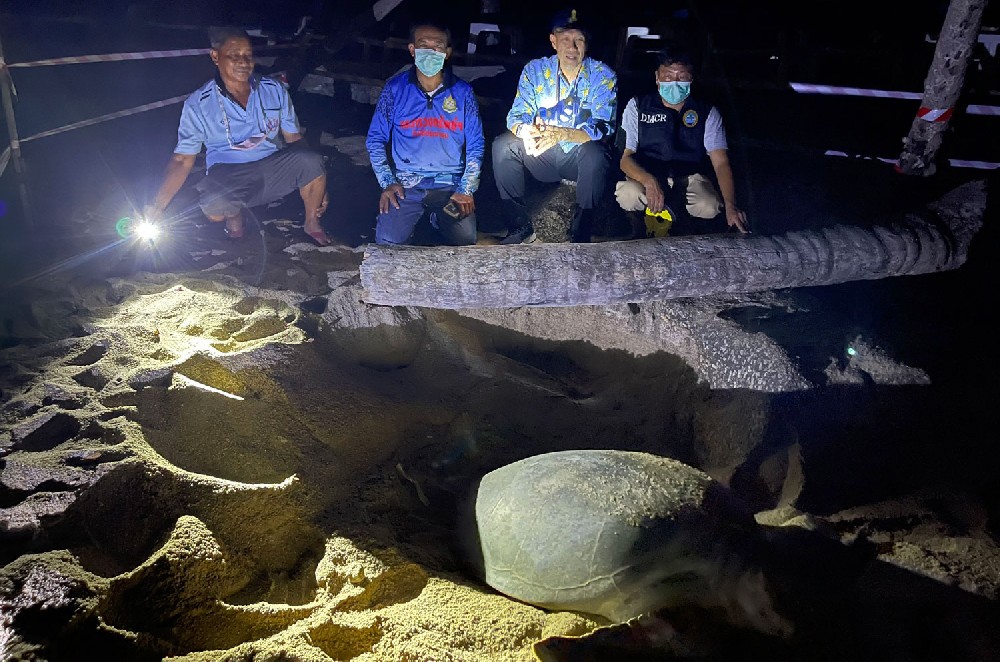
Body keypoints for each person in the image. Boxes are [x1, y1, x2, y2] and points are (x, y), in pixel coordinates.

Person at [145, 26, 332, 245]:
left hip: (272, 166)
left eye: (248, 56)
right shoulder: (198, 104)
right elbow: (182, 159)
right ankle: (234, 218)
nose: (243, 63)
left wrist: (317, 180)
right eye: (234, 56)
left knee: (311, 160)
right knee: (215, 207)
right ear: (216, 56)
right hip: (229, 174)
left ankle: (312, 223)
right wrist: (157, 206)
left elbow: (294, 138)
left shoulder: (274, 90)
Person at [492, 9, 618, 244]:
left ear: (586, 43)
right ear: (553, 41)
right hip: (542, 155)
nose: (572, 47)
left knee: (595, 152)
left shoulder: (603, 75)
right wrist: (526, 131)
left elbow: (604, 127)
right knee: (503, 145)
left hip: (578, 162)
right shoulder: (535, 71)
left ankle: (582, 230)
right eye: (565, 39)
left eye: (579, 39)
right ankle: (519, 226)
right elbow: (516, 115)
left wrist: (562, 134)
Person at [365, 21, 484, 246]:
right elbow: (376, 138)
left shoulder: (463, 93)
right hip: (407, 183)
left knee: (465, 239)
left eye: (437, 46)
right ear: (412, 50)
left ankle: (436, 219)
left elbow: (476, 143)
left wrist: (465, 189)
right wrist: (387, 182)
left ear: (447, 53)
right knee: (387, 241)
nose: (431, 52)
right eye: (423, 45)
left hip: (449, 183)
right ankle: (415, 220)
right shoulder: (395, 90)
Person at [615, 47, 748, 238]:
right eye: (668, 76)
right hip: (648, 173)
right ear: (657, 77)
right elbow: (625, 158)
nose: (675, 83)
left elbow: (721, 162)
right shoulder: (637, 106)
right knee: (628, 195)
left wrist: (731, 206)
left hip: (688, 176)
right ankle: (639, 226)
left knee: (708, 205)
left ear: (691, 79)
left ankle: (687, 231)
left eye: (682, 77)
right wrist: (649, 181)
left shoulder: (707, 112)